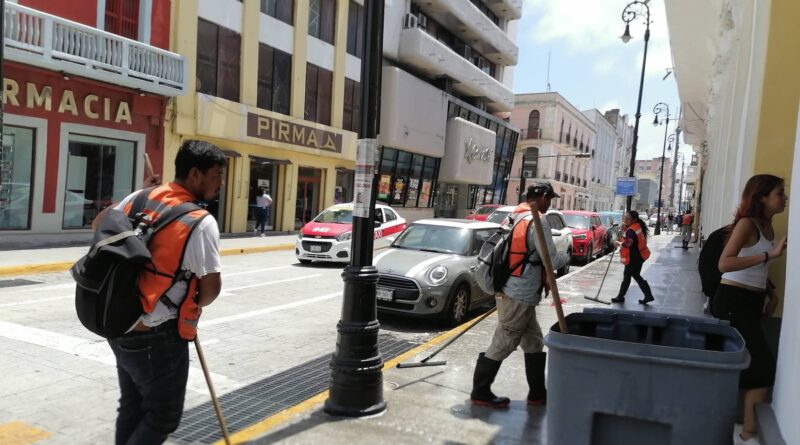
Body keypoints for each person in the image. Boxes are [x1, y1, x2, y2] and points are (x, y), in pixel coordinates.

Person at [106, 140, 226, 444]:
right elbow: (210, 290)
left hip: (117, 319)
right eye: (216, 176)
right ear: (196, 175)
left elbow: (100, 224)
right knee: (163, 414)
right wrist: (189, 302)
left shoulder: (140, 196)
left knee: (133, 405)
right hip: (155, 333)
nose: (220, 184)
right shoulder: (200, 221)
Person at [470, 181, 569, 408]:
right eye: (550, 198)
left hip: (515, 289)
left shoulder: (517, 215)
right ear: (542, 196)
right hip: (519, 293)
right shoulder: (537, 219)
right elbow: (551, 259)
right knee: (505, 340)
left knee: (533, 341)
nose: (550, 203)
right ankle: (480, 391)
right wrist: (566, 256)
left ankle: (537, 393)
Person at [714, 174, 787, 444]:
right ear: (761, 197)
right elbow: (725, 264)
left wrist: (770, 294)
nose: (785, 198)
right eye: (780, 193)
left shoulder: (768, 225)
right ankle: (748, 433)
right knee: (762, 368)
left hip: (751, 302)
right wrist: (771, 255)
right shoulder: (747, 224)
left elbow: (754, 267)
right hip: (733, 301)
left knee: (751, 366)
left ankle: (745, 431)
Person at [610, 210, 655, 305]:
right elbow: (633, 236)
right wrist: (626, 228)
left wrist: (618, 243)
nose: (625, 220)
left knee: (627, 276)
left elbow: (629, 243)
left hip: (634, 257)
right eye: (625, 218)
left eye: (628, 218)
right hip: (640, 256)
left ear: (634, 220)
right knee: (636, 276)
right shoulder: (637, 226)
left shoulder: (631, 230)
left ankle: (620, 297)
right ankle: (648, 295)